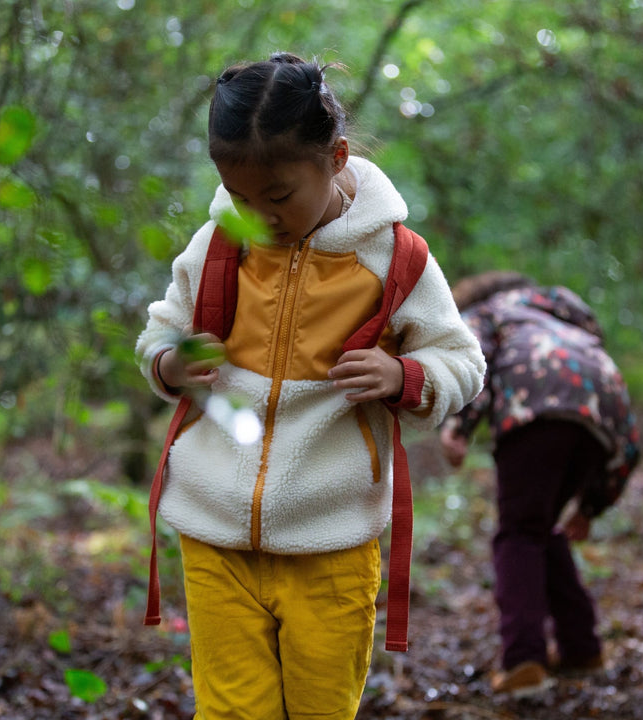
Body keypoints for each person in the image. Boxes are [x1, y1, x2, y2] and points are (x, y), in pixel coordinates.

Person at [136, 52, 485, 720]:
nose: (258, 215)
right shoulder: (216, 245)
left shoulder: (393, 257)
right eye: (239, 197)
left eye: (278, 196)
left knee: (322, 709)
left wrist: (403, 375)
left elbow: (462, 362)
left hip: (333, 541)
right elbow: (159, 335)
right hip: (212, 531)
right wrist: (170, 364)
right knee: (233, 711)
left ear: (336, 158)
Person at [439, 271, 640, 698]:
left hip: (536, 404)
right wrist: (591, 506)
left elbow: (475, 357)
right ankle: (581, 648)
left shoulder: (489, 313)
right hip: (602, 406)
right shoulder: (568, 325)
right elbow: (629, 447)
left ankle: (523, 660)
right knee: (539, 527)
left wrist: (460, 424)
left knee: (518, 533)